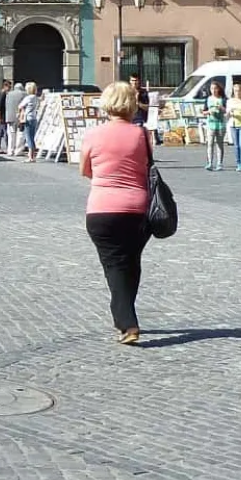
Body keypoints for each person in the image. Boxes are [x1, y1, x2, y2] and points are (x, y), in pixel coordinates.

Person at [79, 81, 154, 345]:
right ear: (132, 104)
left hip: (102, 209)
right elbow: (147, 168)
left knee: (114, 265)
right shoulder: (142, 135)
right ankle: (125, 315)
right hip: (137, 208)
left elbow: (85, 170)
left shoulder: (93, 135)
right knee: (130, 262)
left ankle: (128, 323)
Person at [203, 80, 228, 171]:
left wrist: (221, 108)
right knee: (210, 143)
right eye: (212, 88)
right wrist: (208, 112)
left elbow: (227, 111)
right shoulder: (208, 99)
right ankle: (210, 163)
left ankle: (219, 163)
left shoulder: (223, 99)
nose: (213, 90)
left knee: (220, 144)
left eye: (215, 88)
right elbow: (204, 111)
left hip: (220, 124)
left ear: (218, 89)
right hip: (210, 124)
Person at [19, 82, 43, 163]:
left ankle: (31, 157)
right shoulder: (36, 98)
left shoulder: (28, 98)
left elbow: (20, 106)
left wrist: (22, 110)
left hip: (28, 118)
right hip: (34, 118)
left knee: (28, 137)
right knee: (32, 137)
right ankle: (32, 156)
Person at [4, 81, 28, 158]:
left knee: (11, 134)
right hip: (20, 117)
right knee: (20, 134)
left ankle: (10, 150)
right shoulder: (24, 94)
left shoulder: (9, 94)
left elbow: (6, 105)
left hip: (10, 117)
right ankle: (18, 150)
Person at [0, 80, 14, 154]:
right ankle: (4, 147)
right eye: (9, 87)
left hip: (2, 115)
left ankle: (1, 147)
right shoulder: (2, 94)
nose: (10, 88)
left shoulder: (3, 94)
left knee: (1, 132)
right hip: (2, 116)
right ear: (5, 86)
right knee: (4, 132)